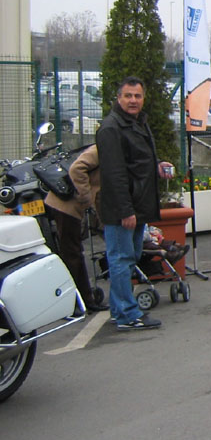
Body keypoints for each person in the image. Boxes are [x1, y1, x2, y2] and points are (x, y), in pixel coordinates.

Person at [96, 76, 173, 331]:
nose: (133, 100)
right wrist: (125, 211)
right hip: (123, 209)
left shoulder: (137, 123)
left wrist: (156, 165)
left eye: (137, 96)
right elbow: (114, 174)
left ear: (143, 98)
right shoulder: (111, 128)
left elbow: (135, 161)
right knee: (121, 259)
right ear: (118, 98)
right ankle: (128, 315)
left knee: (130, 257)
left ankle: (120, 310)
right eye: (128, 96)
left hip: (137, 206)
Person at [43, 144, 106, 312]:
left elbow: (98, 189)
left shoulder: (109, 150)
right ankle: (78, 300)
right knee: (72, 253)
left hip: (71, 204)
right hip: (66, 204)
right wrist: (85, 195)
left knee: (74, 251)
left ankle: (84, 298)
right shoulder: (100, 149)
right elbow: (77, 168)